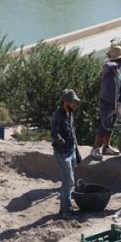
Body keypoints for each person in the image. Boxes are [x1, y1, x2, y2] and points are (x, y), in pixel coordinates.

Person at [91, 44, 121, 160]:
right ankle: (95, 148)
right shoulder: (109, 68)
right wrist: (116, 64)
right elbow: (108, 64)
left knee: (111, 125)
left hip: (114, 102)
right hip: (105, 102)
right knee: (104, 125)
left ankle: (106, 147)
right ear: (117, 59)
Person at [50, 89, 82, 219]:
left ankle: (63, 207)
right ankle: (67, 211)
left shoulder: (70, 114)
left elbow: (73, 134)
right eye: (72, 102)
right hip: (63, 153)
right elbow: (54, 133)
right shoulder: (58, 115)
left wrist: (77, 152)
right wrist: (60, 141)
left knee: (69, 182)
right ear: (65, 102)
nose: (74, 104)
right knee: (68, 182)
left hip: (72, 150)